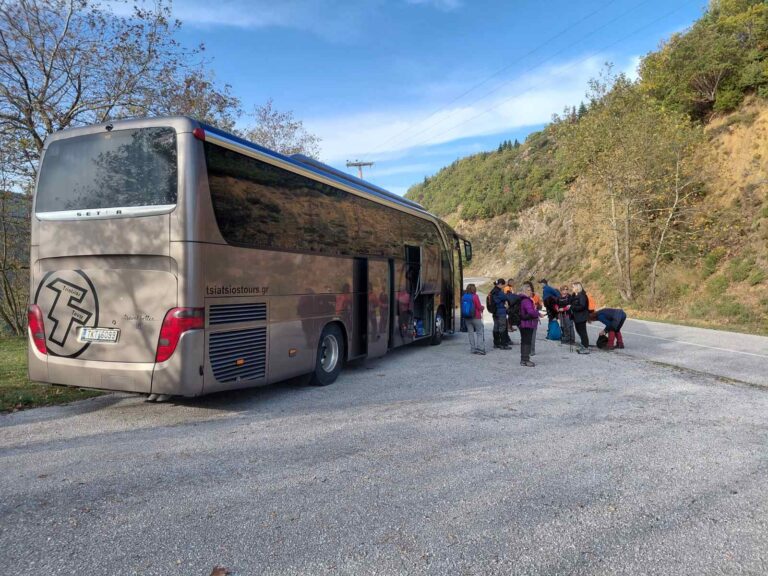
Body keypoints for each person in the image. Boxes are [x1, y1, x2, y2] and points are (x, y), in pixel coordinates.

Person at [519, 283, 540, 367]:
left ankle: (523, 360)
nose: (530, 292)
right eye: (528, 290)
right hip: (527, 323)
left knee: (524, 341)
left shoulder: (520, 299)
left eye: (530, 290)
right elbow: (531, 312)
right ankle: (526, 360)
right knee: (527, 342)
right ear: (524, 291)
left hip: (522, 323)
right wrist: (537, 313)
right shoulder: (526, 300)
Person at [464, 284, 486, 355]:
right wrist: (482, 307)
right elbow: (479, 307)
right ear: (474, 289)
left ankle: (473, 349)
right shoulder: (475, 296)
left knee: (470, 333)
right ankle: (480, 349)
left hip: (467, 317)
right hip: (476, 317)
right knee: (479, 332)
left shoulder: (464, 296)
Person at [570, 282, 591, 354]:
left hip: (581, 316)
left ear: (577, 287)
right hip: (576, 316)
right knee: (579, 331)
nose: (572, 288)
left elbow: (582, 306)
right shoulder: (574, 295)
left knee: (583, 332)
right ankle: (583, 345)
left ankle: (585, 347)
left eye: (573, 287)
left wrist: (572, 307)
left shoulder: (582, 296)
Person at [490, 278, 510, 350]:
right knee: (502, 327)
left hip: (494, 312)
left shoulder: (492, 291)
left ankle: (496, 343)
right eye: (503, 285)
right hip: (501, 311)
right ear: (500, 284)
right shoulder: (499, 292)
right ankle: (503, 344)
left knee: (496, 326)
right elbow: (505, 297)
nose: (503, 287)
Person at [524, 281, 542, 356]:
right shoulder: (522, 297)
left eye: (529, 288)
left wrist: (537, 305)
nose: (528, 289)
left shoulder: (536, 296)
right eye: (526, 287)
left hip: (534, 318)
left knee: (533, 335)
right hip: (525, 319)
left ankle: (532, 350)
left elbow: (540, 307)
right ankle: (527, 349)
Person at [503, 278, 518, 346]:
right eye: (511, 282)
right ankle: (509, 327)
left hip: (511, 303)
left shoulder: (511, 287)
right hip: (508, 303)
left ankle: (510, 326)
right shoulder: (507, 288)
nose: (512, 283)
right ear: (509, 282)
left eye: (513, 282)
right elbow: (508, 296)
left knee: (511, 315)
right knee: (509, 315)